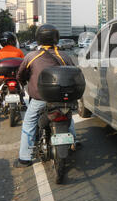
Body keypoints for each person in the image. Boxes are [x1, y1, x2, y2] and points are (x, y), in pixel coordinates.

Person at [13, 24, 78, 168]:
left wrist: (24, 82)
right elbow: (74, 73)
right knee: (68, 116)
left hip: (40, 99)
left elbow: (20, 74)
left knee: (29, 123)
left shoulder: (31, 56)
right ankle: (74, 142)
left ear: (38, 39)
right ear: (56, 39)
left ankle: (24, 158)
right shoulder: (65, 56)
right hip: (62, 99)